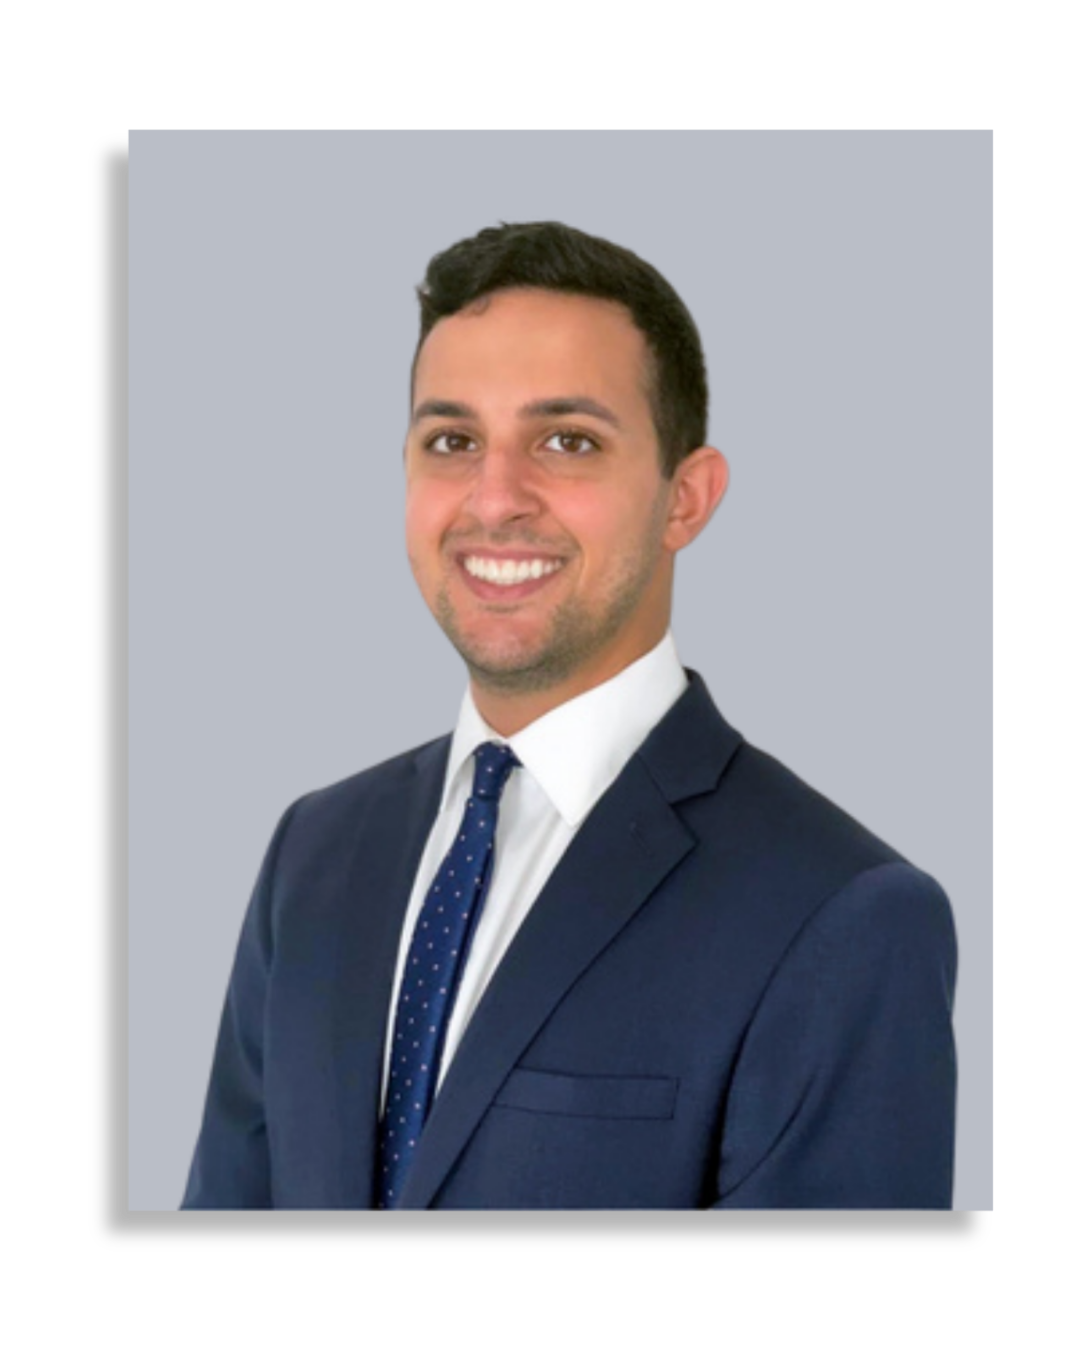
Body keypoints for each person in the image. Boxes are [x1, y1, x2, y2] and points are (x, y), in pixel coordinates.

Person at [182, 221, 958, 1210]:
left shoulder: (844, 916)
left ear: (686, 498)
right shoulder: (315, 854)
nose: (494, 498)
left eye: (567, 440)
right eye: (452, 440)